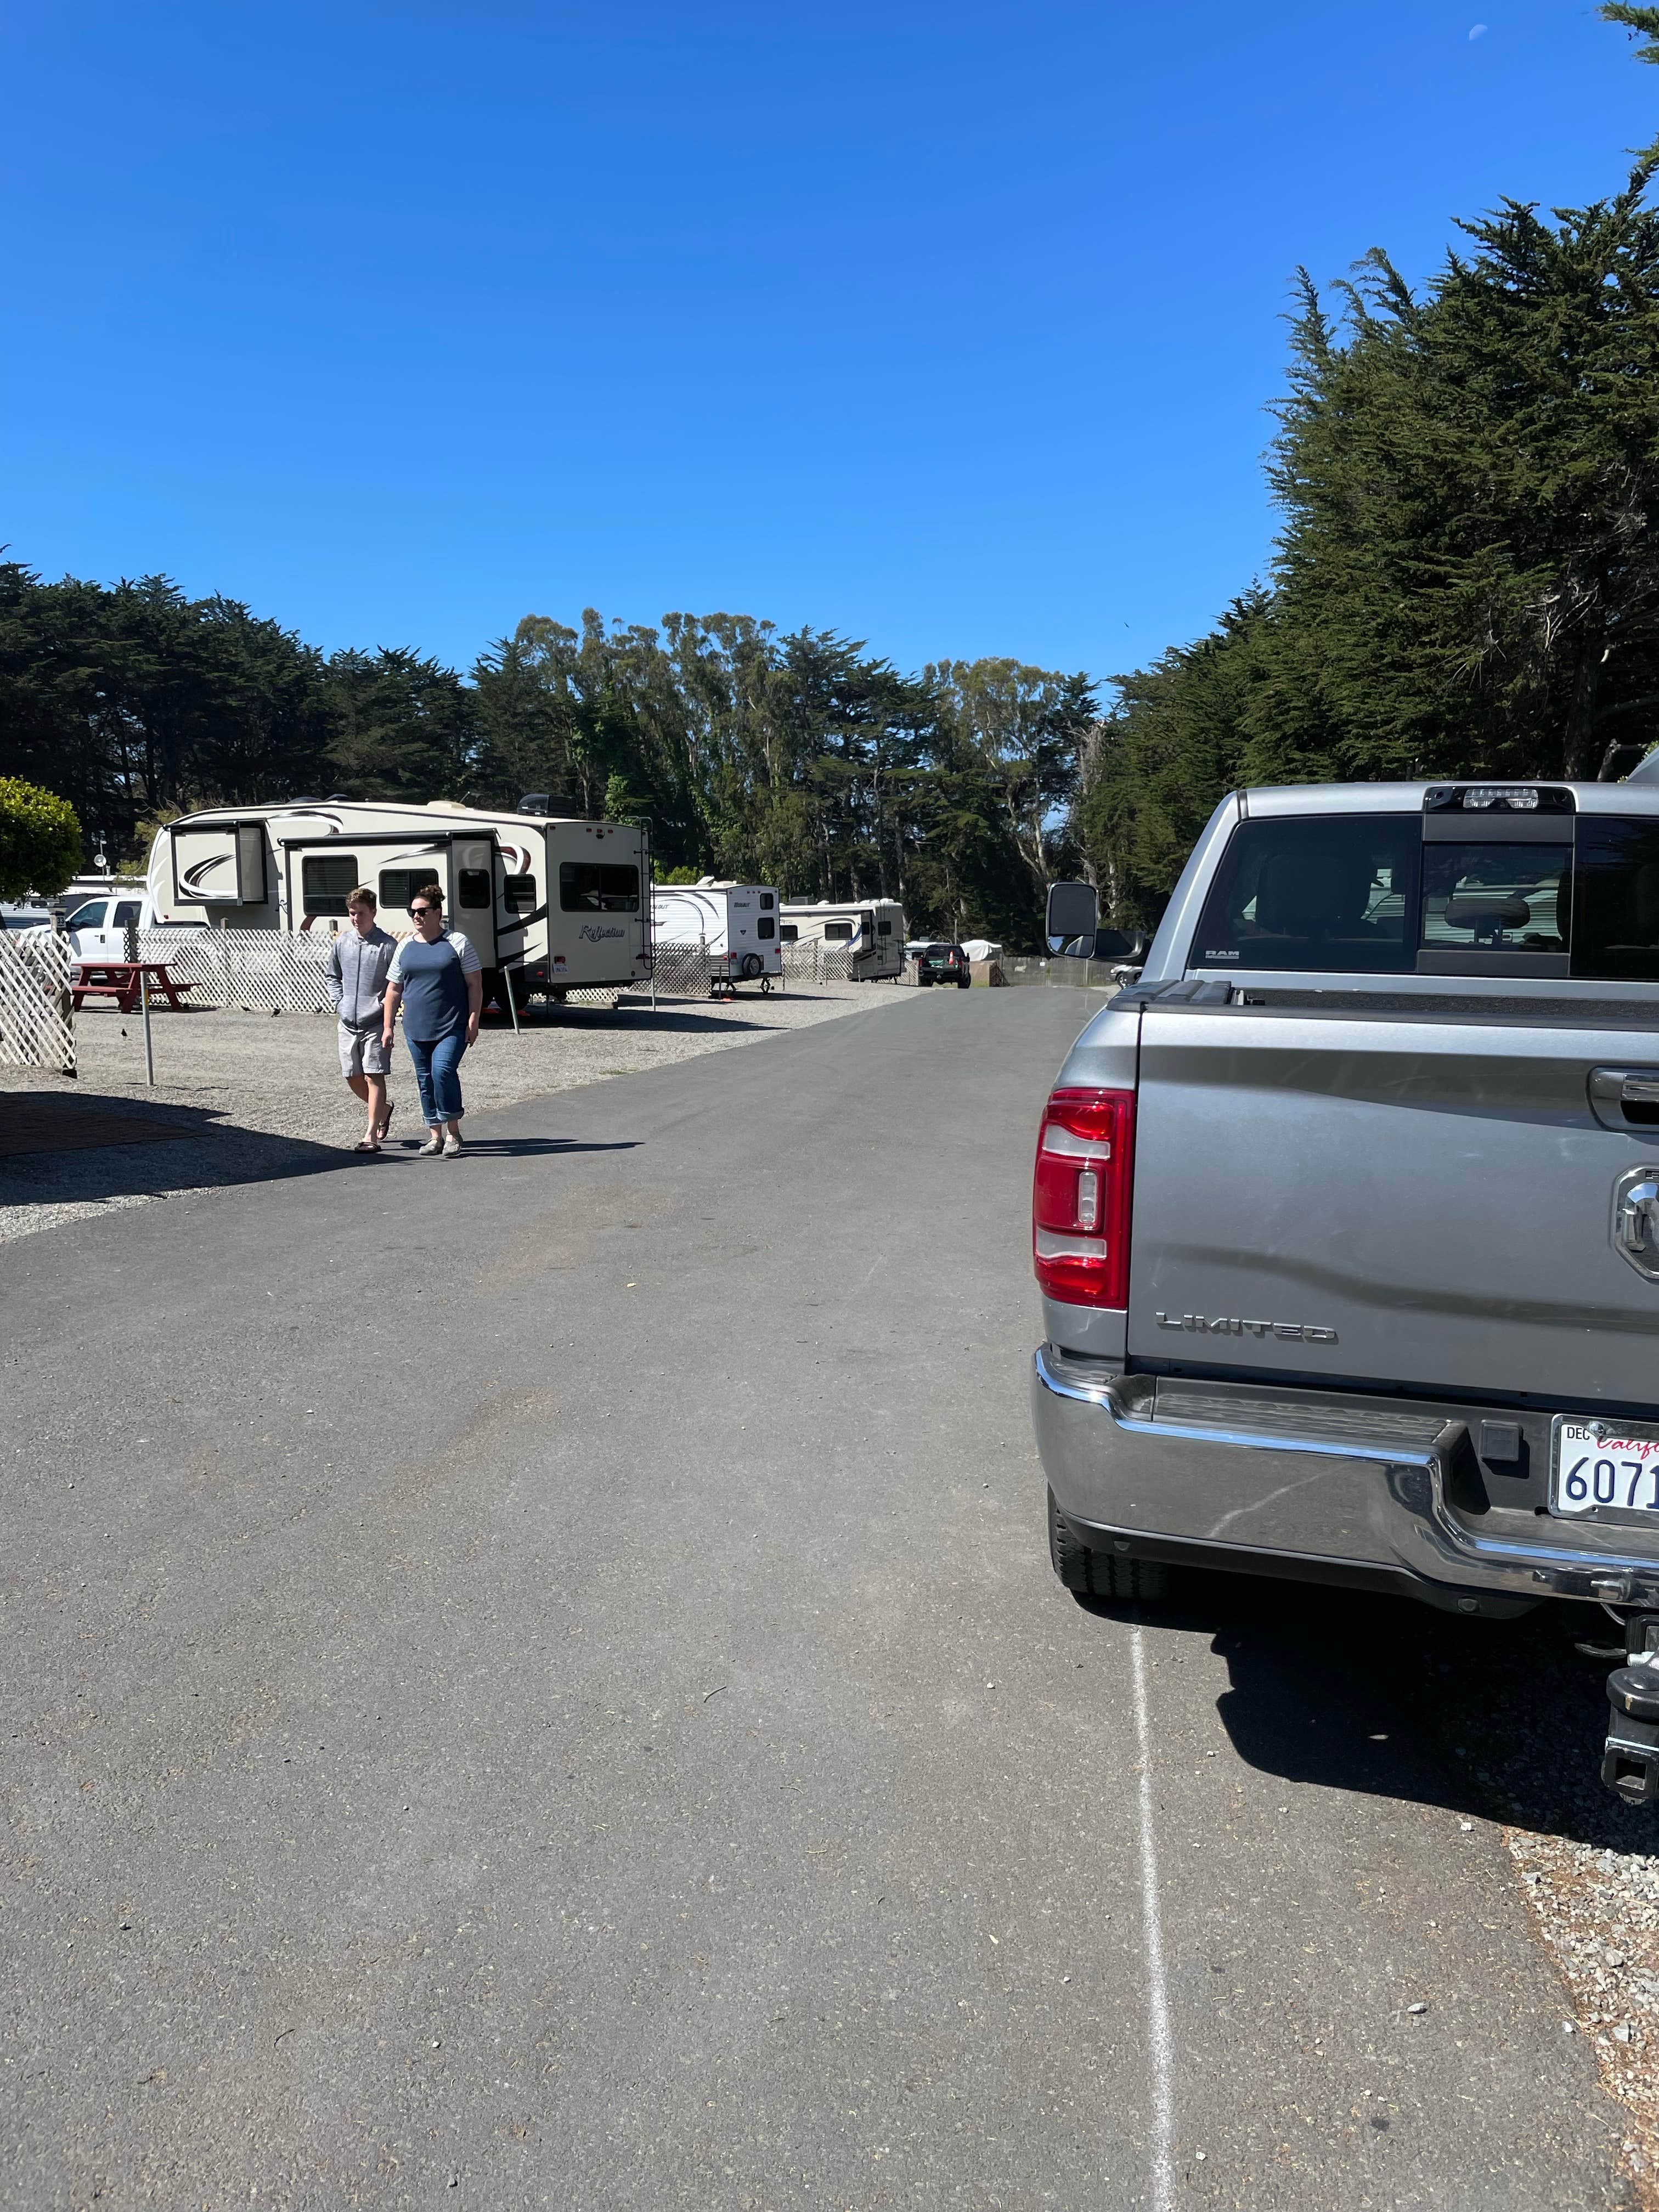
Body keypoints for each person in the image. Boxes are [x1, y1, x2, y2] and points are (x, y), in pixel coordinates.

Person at [382, 882, 483, 1156]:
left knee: (442, 1072)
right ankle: (434, 1135)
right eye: (412, 912)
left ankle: (454, 1134)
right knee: (425, 1079)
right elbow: (393, 988)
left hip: (452, 1026)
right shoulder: (405, 946)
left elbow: (475, 984)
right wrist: (388, 1026)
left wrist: (473, 1020)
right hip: (415, 1027)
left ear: (438, 913)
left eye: (423, 911)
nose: (416, 916)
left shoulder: (458, 942)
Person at [325, 885, 398, 1152]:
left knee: (373, 1075)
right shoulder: (342, 942)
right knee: (352, 1075)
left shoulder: (388, 946)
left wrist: (384, 1012)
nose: (356, 918)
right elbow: (333, 976)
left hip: (375, 1022)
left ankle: (371, 1135)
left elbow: (395, 985)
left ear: (374, 913)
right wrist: (339, 1003)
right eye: (352, 913)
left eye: (361, 913)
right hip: (347, 1021)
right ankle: (384, 1109)